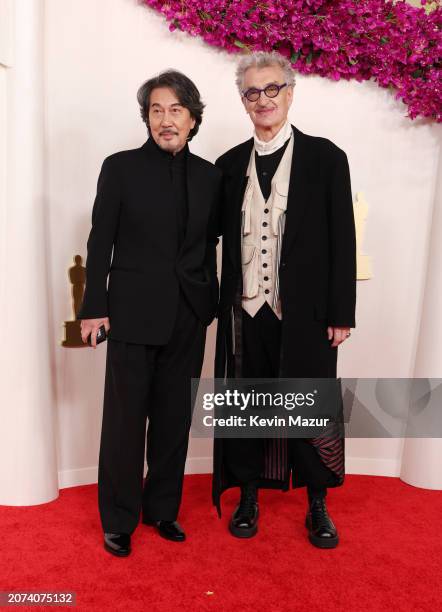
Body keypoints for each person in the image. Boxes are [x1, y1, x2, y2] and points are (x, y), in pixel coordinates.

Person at [213, 52, 356, 548]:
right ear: (243, 101)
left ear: (290, 93)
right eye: (252, 93)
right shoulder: (228, 166)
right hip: (247, 310)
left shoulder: (326, 158)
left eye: (272, 89)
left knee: (310, 405)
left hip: (307, 314)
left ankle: (317, 502)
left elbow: (344, 238)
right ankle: (249, 493)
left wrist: (341, 312)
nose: (263, 100)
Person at [78, 70, 221, 557]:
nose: (166, 120)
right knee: (123, 423)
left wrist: (209, 299)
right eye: (156, 110)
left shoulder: (210, 177)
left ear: (193, 118)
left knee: (173, 419)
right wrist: (93, 306)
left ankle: (163, 509)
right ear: (146, 118)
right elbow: (101, 241)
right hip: (131, 314)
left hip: (188, 314)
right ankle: (119, 518)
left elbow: (211, 244)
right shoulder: (118, 168)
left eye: (176, 110)